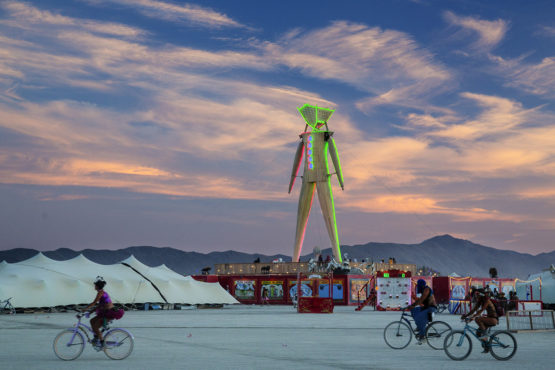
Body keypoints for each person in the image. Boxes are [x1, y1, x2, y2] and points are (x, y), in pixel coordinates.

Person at [83, 276, 124, 348]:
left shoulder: (100, 293)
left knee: (95, 327)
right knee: (92, 321)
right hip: (105, 312)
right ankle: (96, 337)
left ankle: (102, 342)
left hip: (109, 313)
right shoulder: (101, 292)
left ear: (97, 286)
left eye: (95, 285)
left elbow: (94, 302)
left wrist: (85, 309)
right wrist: (90, 312)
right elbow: (98, 305)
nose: (94, 286)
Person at [461, 288, 498, 353]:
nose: (476, 296)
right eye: (475, 294)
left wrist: (472, 318)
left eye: (477, 294)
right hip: (489, 319)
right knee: (478, 333)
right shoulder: (481, 300)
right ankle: (487, 347)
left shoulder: (487, 300)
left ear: (481, 294)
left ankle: (485, 335)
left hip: (493, 319)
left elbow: (481, 310)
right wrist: (466, 315)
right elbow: (474, 310)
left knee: (478, 319)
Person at [408, 279, 437, 343]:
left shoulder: (426, 290)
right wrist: (412, 306)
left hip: (431, 308)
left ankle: (423, 337)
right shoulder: (424, 290)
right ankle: (419, 327)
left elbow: (421, 300)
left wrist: (413, 305)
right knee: (414, 310)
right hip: (426, 307)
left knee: (420, 319)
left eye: (418, 285)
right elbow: (419, 300)